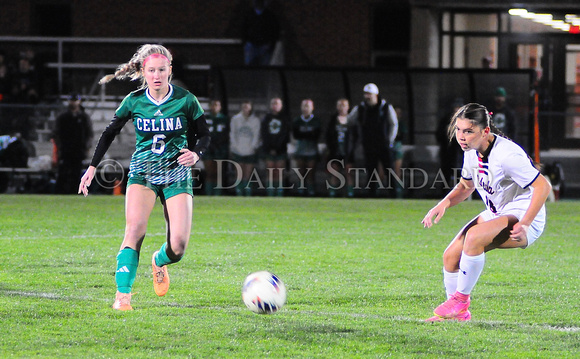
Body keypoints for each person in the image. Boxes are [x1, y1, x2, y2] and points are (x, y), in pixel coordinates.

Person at [78, 44, 211, 311]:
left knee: (179, 246)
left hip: (176, 175)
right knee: (134, 230)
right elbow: (108, 133)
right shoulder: (134, 100)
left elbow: (204, 134)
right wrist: (92, 167)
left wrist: (196, 154)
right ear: (143, 72)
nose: (157, 75)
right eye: (151, 70)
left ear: (170, 71)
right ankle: (122, 296)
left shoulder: (186, 100)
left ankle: (159, 261)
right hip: (143, 173)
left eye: (162, 70)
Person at [421, 103, 551, 322]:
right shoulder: (472, 151)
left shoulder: (507, 155)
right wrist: (443, 203)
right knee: (451, 256)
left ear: (486, 131)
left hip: (526, 214)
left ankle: (461, 300)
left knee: (474, 238)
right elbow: (465, 186)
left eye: (468, 131)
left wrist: (526, 223)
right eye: (459, 130)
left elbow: (543, 186)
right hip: (499, 212)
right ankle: (458, 314)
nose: (461, 136)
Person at [348, 83, 398, 196]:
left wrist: (390, 140)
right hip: (368, 144)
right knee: (371, 170)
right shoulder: (360, 108)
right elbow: (350, 120)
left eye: (369, 94)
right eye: (366, 94)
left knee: (389, 169)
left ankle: (393, 193)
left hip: (384, 144)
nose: (367, 96)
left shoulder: (386, 107)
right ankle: (372, 194)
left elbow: (394, 124)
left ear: (376, 94)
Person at [52, 93, 94, 194]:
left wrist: (86, 147)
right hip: (66, 149)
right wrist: (60, 147)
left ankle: (76, 191)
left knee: (76, 172)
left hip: (78, 150)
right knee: (63, 172)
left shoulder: (84, 117)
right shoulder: (63, 117)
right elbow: (56, 133)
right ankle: (61, 192)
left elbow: (89, 134)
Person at [229, 100, 261, 196]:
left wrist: (252, 147)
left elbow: (256, 135)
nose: (245, 109)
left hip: (250, 151)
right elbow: (232, 133)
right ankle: (239, 191)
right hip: (237, 150)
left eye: (247, 107)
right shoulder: (235, 119)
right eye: (244, 107)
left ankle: (247, 192)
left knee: (247, 173)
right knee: (239, 172)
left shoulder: (255, 120)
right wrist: (235, 147)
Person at [326, 98, 355, 197]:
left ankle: (350, 192)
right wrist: (331, 147)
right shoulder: (333, 120)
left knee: (349, 173)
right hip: (336, 151)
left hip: (348, 151)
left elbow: (356, 135)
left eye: (344, 105)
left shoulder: (351, 120)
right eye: (340, 105)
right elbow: (328, 135)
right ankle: (332, 192)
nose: (342, 107)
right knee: (334, 173)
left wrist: (352, 146)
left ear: (348, 107)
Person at [261, 97, 290, 196]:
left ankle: (279, 192)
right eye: (273, 103)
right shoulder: (266, 118)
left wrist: (278, 148)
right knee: (270, 171)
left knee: (279, 171)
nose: (275, 106)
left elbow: (285, 134)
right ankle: (270, 192)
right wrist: (270, 148)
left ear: (281, 106)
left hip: (281, 149)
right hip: (268, 149)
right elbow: (264, 134)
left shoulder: (285, 119)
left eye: (277, 104)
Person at [292, 99, 321, 196]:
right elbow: (296, 135)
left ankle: (311, 191)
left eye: (308, 106)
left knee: (311, 173)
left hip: (312, 151)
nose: (306, 108)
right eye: (304, 106)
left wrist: (305, 134)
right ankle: (301, 190)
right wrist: (308, 134)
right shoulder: (297, 121)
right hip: (300, 150)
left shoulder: (316, 120)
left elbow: (316, 135)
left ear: (312, 108)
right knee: (301, 173)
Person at [241, 0, 280, 66]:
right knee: (250, 69)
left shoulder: (270, 16)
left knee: (263, 70)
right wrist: (246, 43)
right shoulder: (249, 15)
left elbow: (275, 31)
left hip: (264, 47)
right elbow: (244, 29)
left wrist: (270, 45)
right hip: (251, 46)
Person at [203, 99, 229, 195]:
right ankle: (209, 193)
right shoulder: (206, 118)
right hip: (208, 147)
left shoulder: (224, 119)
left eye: (217, 105)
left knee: (218, 172)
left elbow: (226, 134)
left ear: (220, 107)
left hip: (220, 148)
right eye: (213, 105)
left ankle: (217, 193)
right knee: (209, 172)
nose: (215, 107)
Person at [436, 98, 463, 189]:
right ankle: (444, 193)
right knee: (446, 173)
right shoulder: (446, 120)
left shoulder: (465, 121)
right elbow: (439, 135)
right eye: (455, 107)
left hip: (458, 153)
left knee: (458, 173)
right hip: (446, 152)